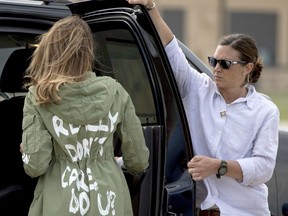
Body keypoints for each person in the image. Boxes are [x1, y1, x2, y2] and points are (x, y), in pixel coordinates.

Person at [128, 1, 279, 215]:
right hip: (199, 209)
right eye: (214, 61)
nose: (216, 68)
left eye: (225, 64)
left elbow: (263, 168)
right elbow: (171, 49)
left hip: (245, 211)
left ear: (248, 68)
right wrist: (151, 7)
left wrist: (219, 166)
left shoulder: (266, 111)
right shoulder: (197, 87)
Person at [20, 15, 149, 216]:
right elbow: (139, 161)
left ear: (51, 52)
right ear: (88, 52)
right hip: (109, 201)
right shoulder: (115, 92)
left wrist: (27, 149)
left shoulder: (39, 96)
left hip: (60, 201)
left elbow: (35, 166)